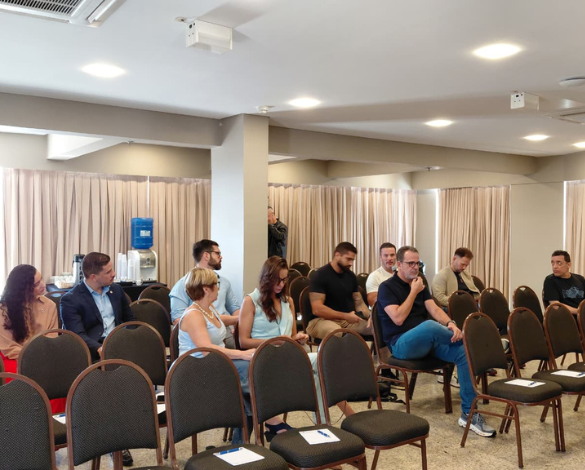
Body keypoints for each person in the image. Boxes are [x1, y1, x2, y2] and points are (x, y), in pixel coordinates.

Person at [377, 245, 496, 438]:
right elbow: (398, 318)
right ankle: (477, 341)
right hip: (401, 345)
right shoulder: (387, 288)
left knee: (463, 352)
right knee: (429, 326)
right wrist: (413, 292)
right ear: (399, 264)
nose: (415, 267)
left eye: (417, 263)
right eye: (410, 263)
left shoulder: (419, 282)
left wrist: (450, 323)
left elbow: (434, 309)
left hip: (427, 342)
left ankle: (469, 414)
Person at [239, 257, 354, 434]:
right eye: (277, 280)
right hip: (264, 359)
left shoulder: (288, 301)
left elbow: (291, 336)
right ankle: (337, 420)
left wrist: (298, 338)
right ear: (267, 278)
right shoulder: (251, 301)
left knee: (323, 364)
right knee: (321, 364)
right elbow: (243, 341)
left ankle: (324, 425)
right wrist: (274, 340)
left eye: (284, 280)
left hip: (288, 355)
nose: (281, 284)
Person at [60, 252, 135, 466]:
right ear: (93, 276)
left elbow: (130, 321)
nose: (114, 274)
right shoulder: (71, 299)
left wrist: (128, 341)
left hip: (118, 346)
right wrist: (101, 348)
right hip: (91, 353)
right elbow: (77, 336)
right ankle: (115, 443)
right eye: (109, 271)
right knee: (109, 390)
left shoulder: (116, 290)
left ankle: (126, 434)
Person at [178, 267, 256, 445]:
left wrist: (242, 317)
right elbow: (207, 350)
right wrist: (242, 354)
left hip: (216, 364)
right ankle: (250, 435)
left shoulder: (208, 308)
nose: (219, 288)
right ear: (206, 289)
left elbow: (219, 320)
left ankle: (243, 440)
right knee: (249, 372)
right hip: (197, 370)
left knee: (250, 381)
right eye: (216, 284)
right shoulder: (193, 315)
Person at [170, 239, 239, 348]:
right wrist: (210, 325)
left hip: (225, 330)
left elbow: (235, 309)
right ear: (206, 255)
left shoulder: (224, 282)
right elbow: (177, 320)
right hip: (199, 333)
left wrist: (238, 324)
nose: (221, 257)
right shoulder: (182, 285)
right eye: (217, 253)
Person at [308, 242, 372, 341]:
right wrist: (346, 316)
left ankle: (378, 352)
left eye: (352, 260)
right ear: (337, 255)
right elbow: (317, 309)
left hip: (346, 321)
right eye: (348, 259)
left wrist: (371, 317)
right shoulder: (320, 275)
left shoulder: (351, 276)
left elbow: (359, 303)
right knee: (336, 332)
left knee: (377, 328)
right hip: (320, 321)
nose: (351, 263)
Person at [0, 265, 58, 371]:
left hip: (44, 356)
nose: (43, 285)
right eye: (36, 284)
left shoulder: (49, 305)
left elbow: (52, 337)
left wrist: (40, 357)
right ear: (23, 289)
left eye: (41, 279)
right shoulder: (3, 310)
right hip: (15, 359)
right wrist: (31, 358)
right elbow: (8, 347)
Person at [543, 250, 585, 314]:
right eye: (553, 263)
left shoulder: (580, 279)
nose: (555, 266)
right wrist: (580, 312)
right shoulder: (550, 280)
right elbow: (555, 305)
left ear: (568, 265)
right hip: (565, 317)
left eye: (559, 263)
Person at [366, 242, 397, 307]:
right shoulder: (374, 276)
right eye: (386, 255)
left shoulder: (401, 273)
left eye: (392, 255)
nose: (389, 258)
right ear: (380, 257)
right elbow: (373, 302)